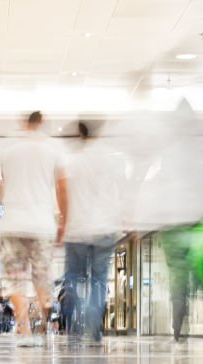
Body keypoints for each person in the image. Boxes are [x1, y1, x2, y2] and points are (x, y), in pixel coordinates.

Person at [0, 111, 68, 347]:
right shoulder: (53, 151)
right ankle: (43, 321)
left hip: (12, 223)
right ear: (42, 124)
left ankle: (24, 327)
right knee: (41, 275)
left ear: (24, 125)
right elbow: (62, 188)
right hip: (42, 224)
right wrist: (64, 220)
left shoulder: (8, 153)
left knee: (15, 278)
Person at [62, 121, 124, 343]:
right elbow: (119, 191)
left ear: (80, 132)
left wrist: (62, 223)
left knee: (73, 277)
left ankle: (72, 320)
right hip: (104, 228)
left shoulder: (72, 161)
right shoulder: (111, 159)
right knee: (98, 280)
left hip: (77, 228)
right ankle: (93, 323)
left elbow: (63, 195)